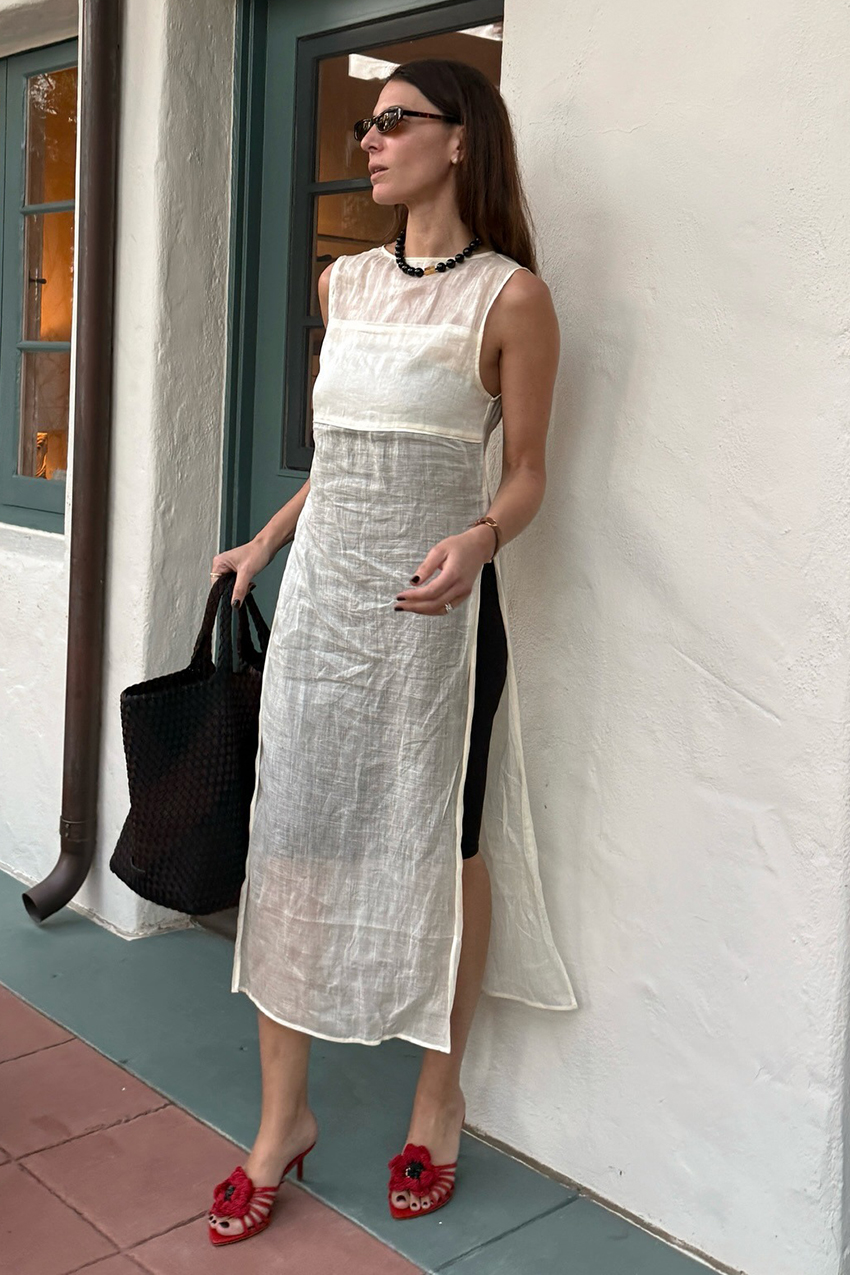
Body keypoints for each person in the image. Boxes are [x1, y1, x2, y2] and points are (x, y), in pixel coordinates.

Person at [206, 57, 577, 1246]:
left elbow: (523, 475)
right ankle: (281, 1124)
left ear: (459, 139)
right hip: (324, 617)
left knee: (441, 844)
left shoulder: (512, 300)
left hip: (442, 620)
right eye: (367, 124)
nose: (368, 141)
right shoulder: (344, 285)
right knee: (298, 839)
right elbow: (346, 458)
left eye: (392, 121)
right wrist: (262, 543)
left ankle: (437, 1097)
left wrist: (478, 538)